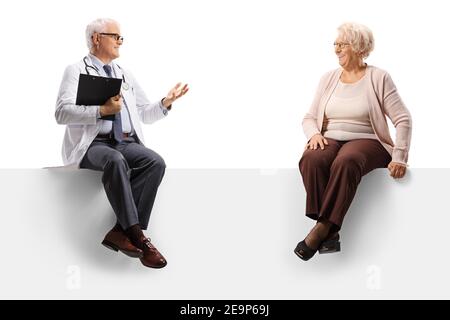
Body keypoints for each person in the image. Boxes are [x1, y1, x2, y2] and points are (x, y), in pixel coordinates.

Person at [55, 18, 188, 269]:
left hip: (124, 141)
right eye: (115, 36)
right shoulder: (75, 70)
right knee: (115, 160)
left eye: (120, 37)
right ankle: (138, 236)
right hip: (93, 145)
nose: (119, 41)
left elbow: (144, 114)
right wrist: (101, 110)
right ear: (96, 38)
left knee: (155, 161)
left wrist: (165, 102)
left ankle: (120, 230)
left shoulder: (123, 74)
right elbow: (61, 113)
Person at [294, 22, 412, 261]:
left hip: (369, 140)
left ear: (358, 47)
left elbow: (403, 118)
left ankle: (320, 229)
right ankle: (329, 231)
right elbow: (308, 117)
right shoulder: (328, 78)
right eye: (335, 44)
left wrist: (400, 157)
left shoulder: (378, 77)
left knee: (347, 160)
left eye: (342, 44)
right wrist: (315, 134)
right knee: (311, 158)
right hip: (331, 138)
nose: (336, 49)